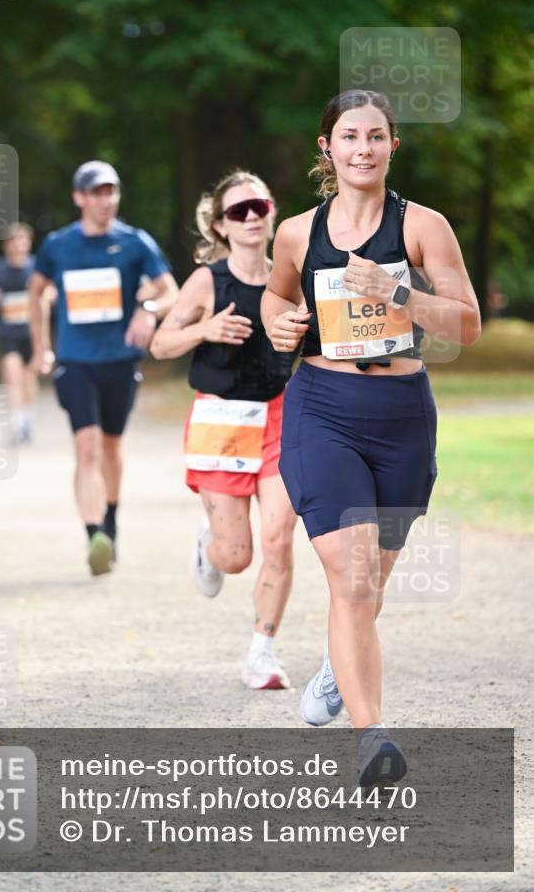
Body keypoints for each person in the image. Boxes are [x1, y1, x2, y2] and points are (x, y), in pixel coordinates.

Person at [261, 89, 481, 783]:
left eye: (376, 137)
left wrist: (396, 295)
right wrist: (277, 322)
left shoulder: (422, 226)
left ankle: (337, 665)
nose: (362, 149)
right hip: (321, 406)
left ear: (392, 146)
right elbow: (275, 295)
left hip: (400, 416)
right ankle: (371, 738)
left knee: (369, 584)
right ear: (326, 147)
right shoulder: (297, 232)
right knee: (352, 581)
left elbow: (466, 324)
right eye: (349, 137)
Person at [151, 171, 298, 690]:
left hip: (280, 417)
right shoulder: (207, 282)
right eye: (239, 211)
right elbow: (160, 345)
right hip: (222, 422)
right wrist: (204, 329)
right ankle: (209, 543)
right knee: (237, 557)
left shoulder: (292, 275)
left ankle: (262, 652)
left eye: (258, 205)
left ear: (272, 209)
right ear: (221, 226)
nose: (252, 216)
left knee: (279, 539)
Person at [29, 160, 178, 575]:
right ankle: (93, 533)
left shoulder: (134, 243)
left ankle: (110, 520)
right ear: (79, 198)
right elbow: (36, 292)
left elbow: (171, 291)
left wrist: (147, 310)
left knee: (111, 447)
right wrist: (42, 347)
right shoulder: (57, 246)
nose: (105, 200)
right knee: (87, 445)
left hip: (120, 361)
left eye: (110, 191)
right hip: (76, 363)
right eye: (96, 192)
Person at [0, 223, 38, 445]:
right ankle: (16, 425)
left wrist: (49, 296)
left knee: (28, 378)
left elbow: (50, 290)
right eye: (14, 241)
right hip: (8, 332)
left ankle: (27, 419)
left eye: (23, 240)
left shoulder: (36, 267)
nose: (19, 245)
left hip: (32, 332)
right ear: (7, 245)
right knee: (12, 377)